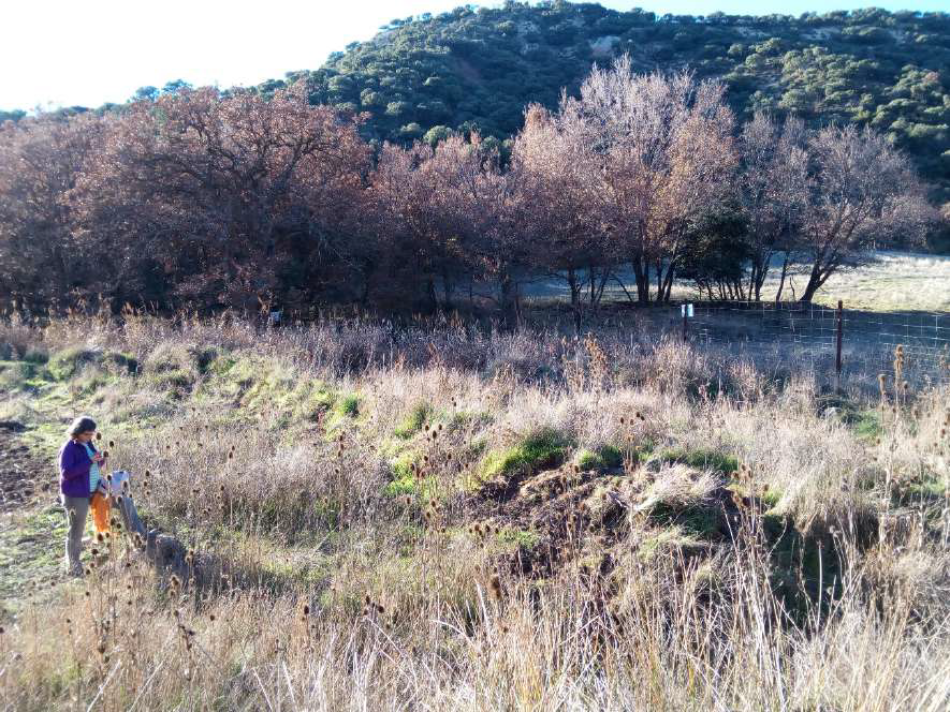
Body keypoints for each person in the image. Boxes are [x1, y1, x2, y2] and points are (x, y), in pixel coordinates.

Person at [58, 415, 146, 576]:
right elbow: (67, 473)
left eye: (92, 434)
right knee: (76, 529)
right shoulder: (69, 448)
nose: (90, 437)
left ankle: (139, 542)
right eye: (86, 434)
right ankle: (73, 565)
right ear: (77, 432)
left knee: (125, 501)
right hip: (76, 495)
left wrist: (100, 460)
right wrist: (90, 461)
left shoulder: (88, 443)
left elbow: (94, 465)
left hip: (97, 491)